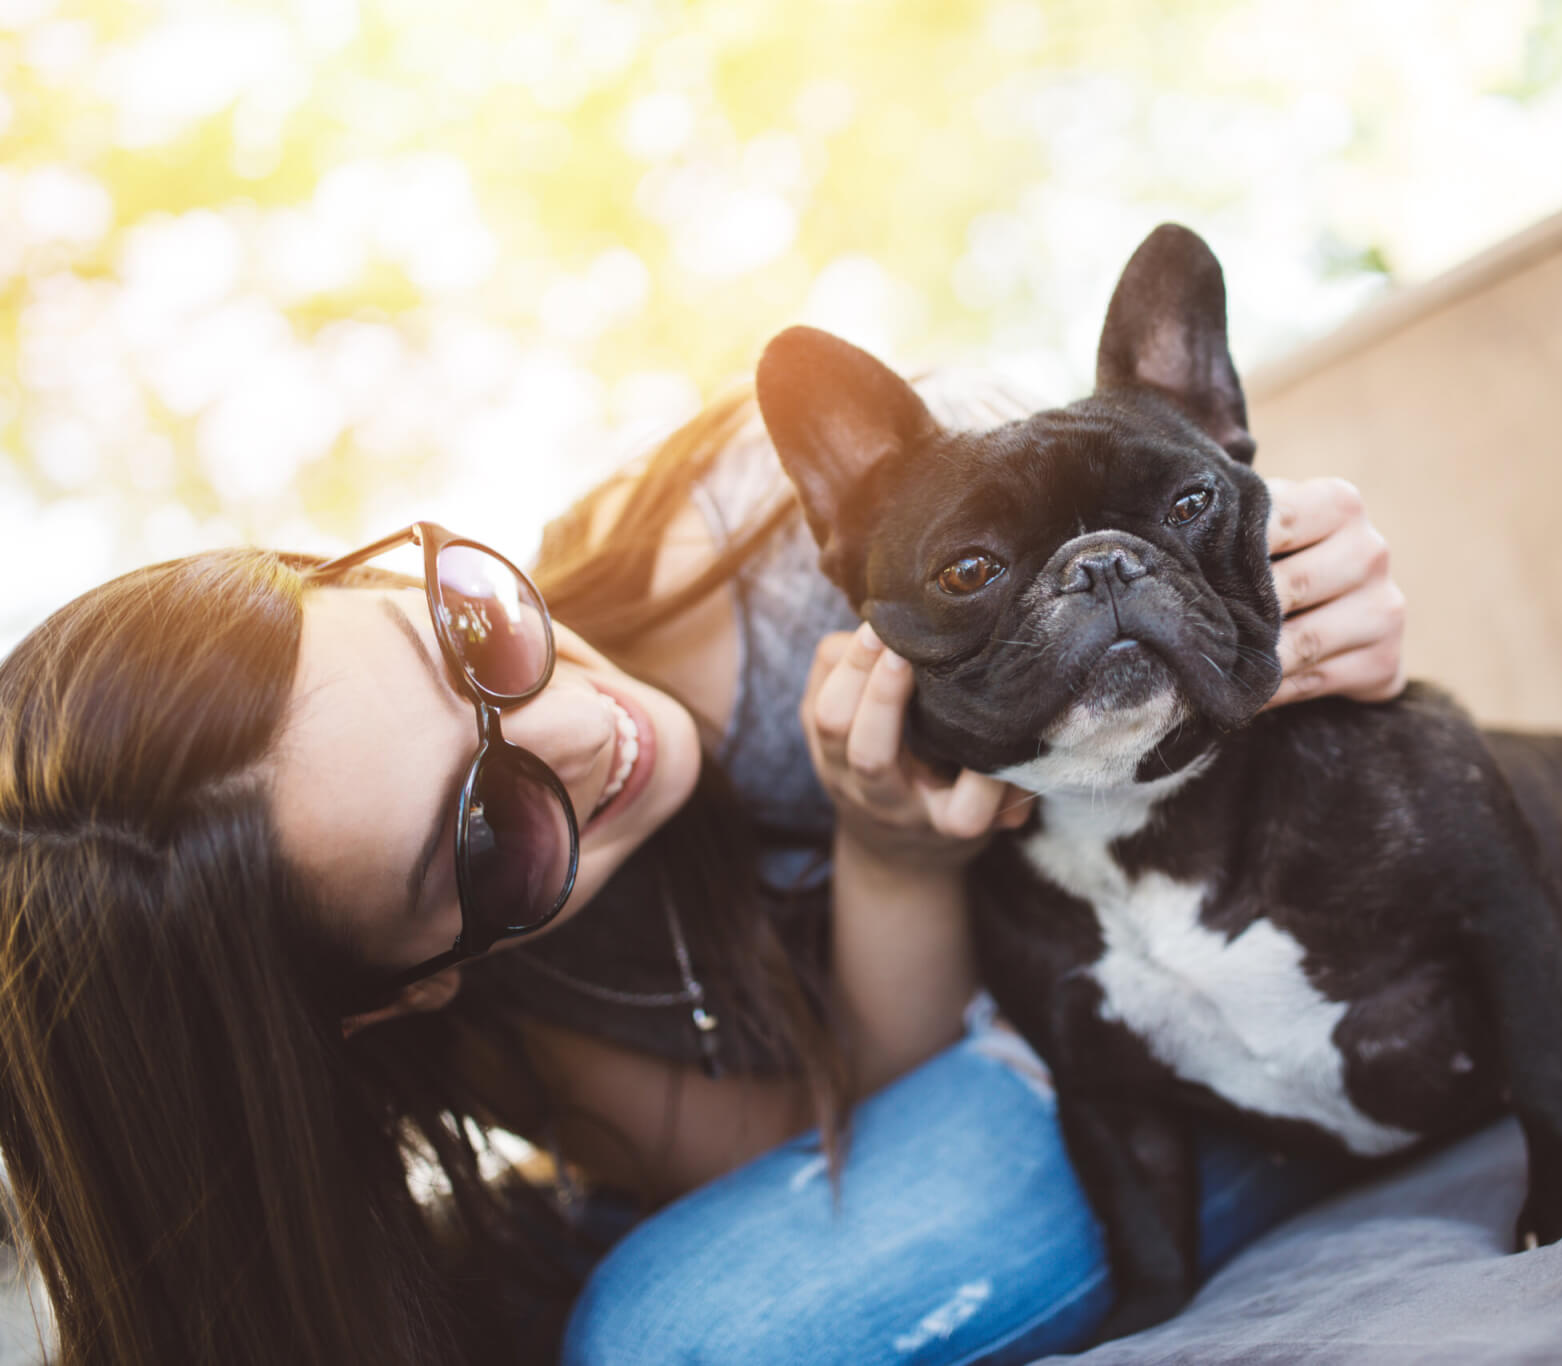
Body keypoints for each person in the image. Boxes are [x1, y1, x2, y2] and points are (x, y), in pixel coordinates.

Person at [0, 375, 1407, 1366]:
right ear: (394, 994)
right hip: (1014, 1047)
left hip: (1228, 982)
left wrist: (1307, 594)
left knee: (675, 1334)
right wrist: (893, 854)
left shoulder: (788, 555)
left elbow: (1214, 577)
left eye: (467, 637)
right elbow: (824, 1133)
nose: (578, 729)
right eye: (489, 833)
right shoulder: (496, 1014)